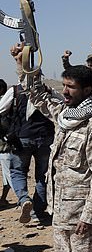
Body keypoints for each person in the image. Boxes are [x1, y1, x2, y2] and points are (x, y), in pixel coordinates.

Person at [12, 45, 92, 252]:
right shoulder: (66, 115)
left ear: (87, 90)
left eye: (71, 87)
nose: (65, 92)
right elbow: (37, 94)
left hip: (81, 214)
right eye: (64, 86)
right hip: (60, 209)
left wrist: (89, 216)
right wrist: (21, 62)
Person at [0, 56, 55, 224]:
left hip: (21, 138)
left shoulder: (15, 91)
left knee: (17, 172)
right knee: (42, 175)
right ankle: (38, 212)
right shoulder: (48, 90)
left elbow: (1, 110)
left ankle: (24, 200)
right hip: (45, 138)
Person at [0, 79, 14, 205]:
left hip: (5, 145)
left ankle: (23, 200)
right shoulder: (9, 101)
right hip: (6, 145)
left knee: (10, 175)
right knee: (7, 174)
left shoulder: (3, 104)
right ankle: (3, 199)